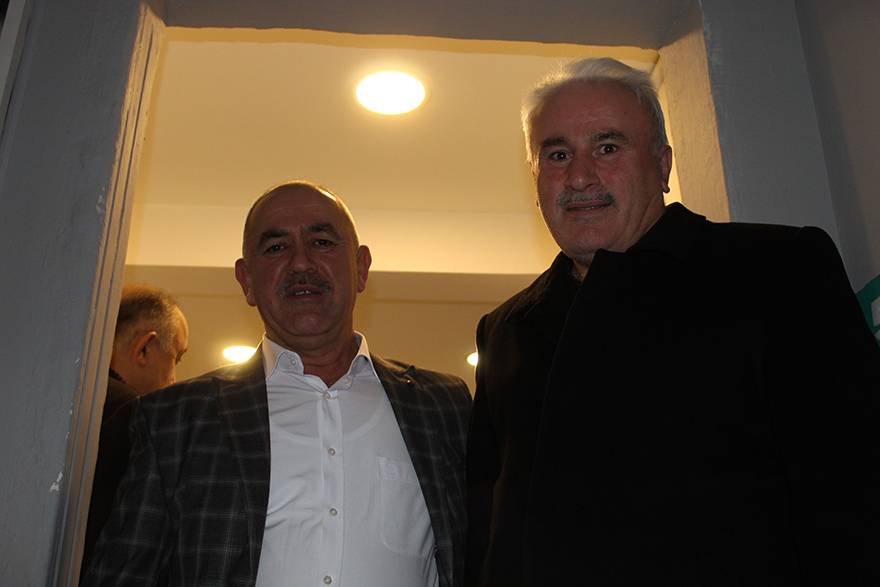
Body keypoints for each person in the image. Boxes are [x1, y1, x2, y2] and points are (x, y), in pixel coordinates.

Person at [465, 57, 880, 586]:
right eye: (558, 154)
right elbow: (489, 528)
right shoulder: (505, 330)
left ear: (662, 166)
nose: (580, 176)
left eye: (608, 147)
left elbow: (855, 485)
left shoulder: (775, 269)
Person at [83, 181, 471, 587]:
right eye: (275, 247)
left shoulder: (442, 407)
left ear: (361, 267)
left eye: (322, 242)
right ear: (246, 281)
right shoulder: (175, 419)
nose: (301, 262)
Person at [81, 284, 189, 572]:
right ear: (143, 348)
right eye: (176, 357)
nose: (174, 379)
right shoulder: (130, 412)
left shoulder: (74, 391)